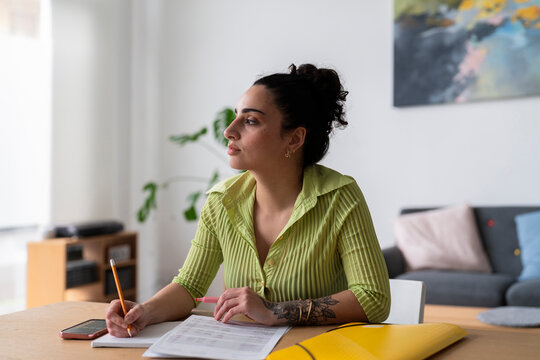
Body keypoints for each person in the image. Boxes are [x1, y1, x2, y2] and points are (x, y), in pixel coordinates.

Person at [106, 64, 390, 337]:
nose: (229, 130)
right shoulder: (221, 202)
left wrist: (275, 311)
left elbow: (373, 298)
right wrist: (145, 312)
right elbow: (189, 286)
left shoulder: (340, 197)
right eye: (236, 116)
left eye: (251, 120)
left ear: (294, 140)